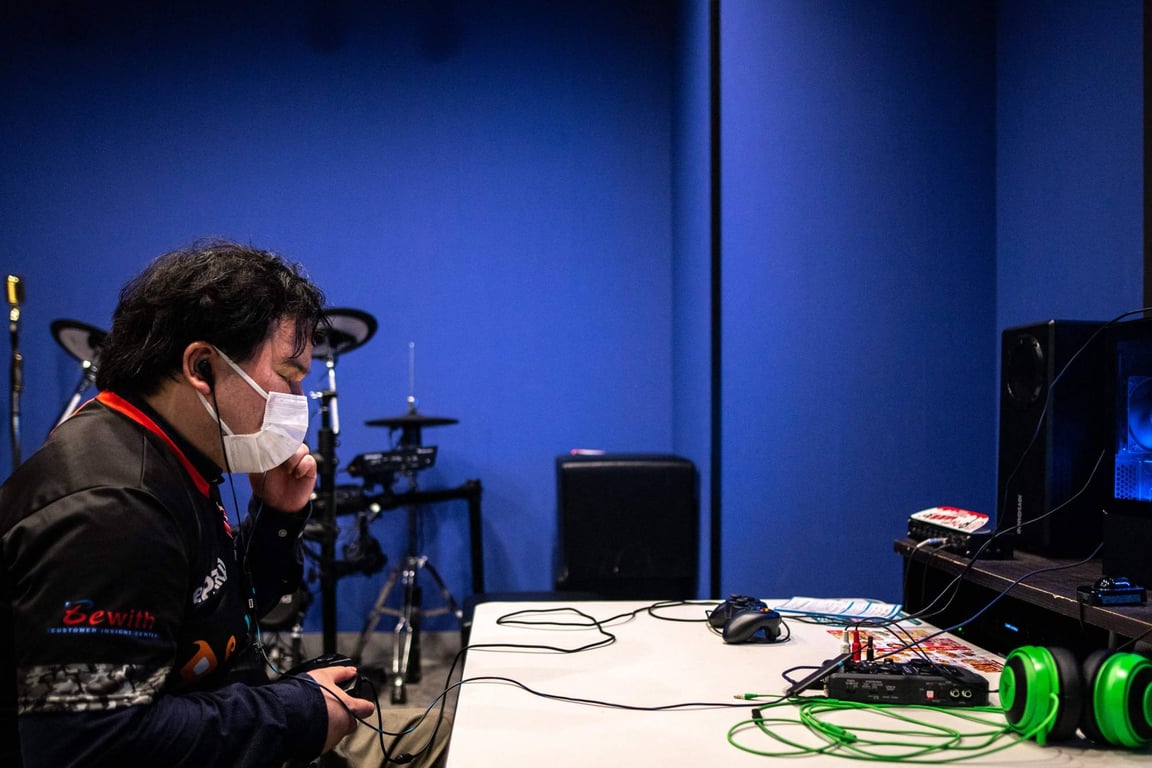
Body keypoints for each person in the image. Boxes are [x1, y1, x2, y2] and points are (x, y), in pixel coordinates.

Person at [0, 241, 376, 767]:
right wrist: (298, 713)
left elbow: (210, 612)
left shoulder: (171, 452)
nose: (297, 400)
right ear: (202, 367)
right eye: (288, 376)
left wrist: (277, 519)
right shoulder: (113, 512)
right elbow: (90, 745)